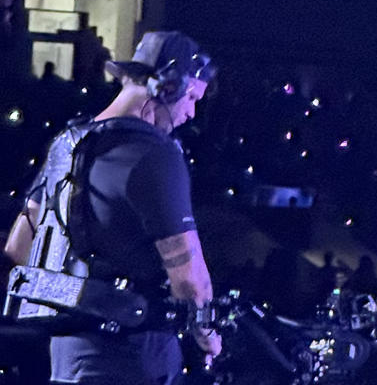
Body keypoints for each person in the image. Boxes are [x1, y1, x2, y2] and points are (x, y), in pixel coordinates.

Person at [4, 30, 222, 385]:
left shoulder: (66, 145)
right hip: (134, 356)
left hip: (66, 358)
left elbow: (19, 249)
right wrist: (207, 334)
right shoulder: (156, 155)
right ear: (166, 88)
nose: (191, 113)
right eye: (192, 98)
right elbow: (189, 278)